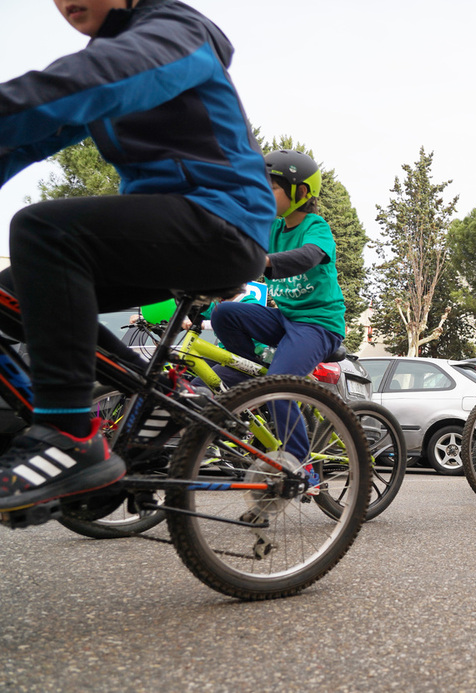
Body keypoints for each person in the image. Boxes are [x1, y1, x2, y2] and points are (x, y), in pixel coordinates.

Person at [0, 0, 272, 518]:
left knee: (41, 229)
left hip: (224, 222)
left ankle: (67, 434)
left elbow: (87, 83)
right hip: (167, 226)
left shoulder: (177, 31)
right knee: (12, 297)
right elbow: (31, 138)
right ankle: (161, 398)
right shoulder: (108, 55)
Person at [209, 150, 345, 479]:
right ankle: (252, 369)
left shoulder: (316, 226)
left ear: (301, 193)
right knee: (225, 314)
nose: (264, 193)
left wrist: (267, 263)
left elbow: (310, 256)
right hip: (285, 320)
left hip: (318, 324)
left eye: (271, 187)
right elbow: (243, 252)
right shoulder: (272, 227)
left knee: (279, 388)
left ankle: (301, 467)